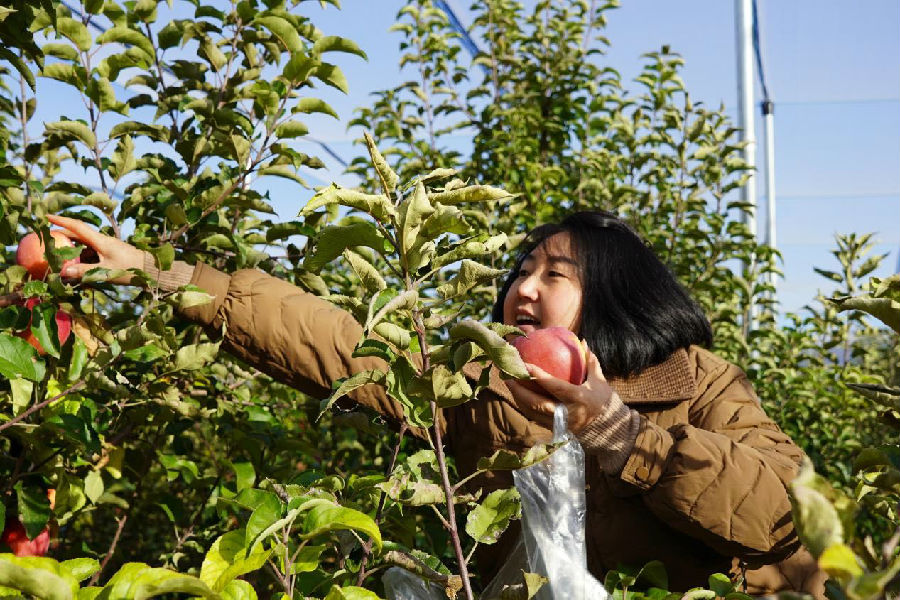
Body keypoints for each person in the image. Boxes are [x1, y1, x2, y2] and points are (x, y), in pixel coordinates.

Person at [46, 211, 825, 597]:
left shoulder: (700, 382)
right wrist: (161, 273)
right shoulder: (480, 385)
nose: (522, 286)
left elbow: (781, 514)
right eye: (520, 270)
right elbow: (334, 342)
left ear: (616, 295)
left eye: (553, 274)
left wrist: (620, 434)